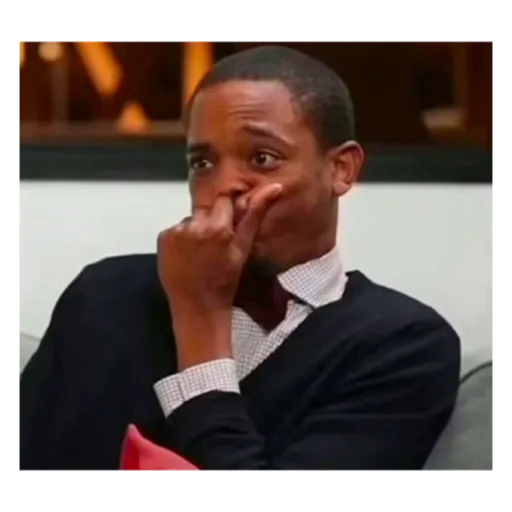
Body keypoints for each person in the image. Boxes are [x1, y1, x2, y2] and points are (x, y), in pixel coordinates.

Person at [16, 45, 461, 471]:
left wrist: (199, 319)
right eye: (202, 163)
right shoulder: (104, 296)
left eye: (262, 158)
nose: (223, 186)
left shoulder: (404, 345)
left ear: (341, 169)